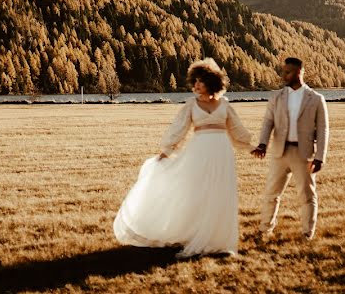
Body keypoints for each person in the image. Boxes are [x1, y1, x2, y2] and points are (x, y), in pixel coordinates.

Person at [113, 58, 255, 258]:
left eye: (201, 81)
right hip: (199, 152)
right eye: (194, 81)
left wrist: (250, 147)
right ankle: (195, 233)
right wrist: (166, 151)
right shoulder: (191, 104)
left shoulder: (225, 104)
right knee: (197, 192)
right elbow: (178, 129)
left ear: (212, 82)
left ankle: (219, 240)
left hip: (222, 152)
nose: (196, 85)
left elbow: (237, 130)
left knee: (220, 193)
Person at [251, 57, 329, 240]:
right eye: (283, 71)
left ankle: (307, 233)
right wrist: (262, 144)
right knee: (271, 193)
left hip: (304, 155)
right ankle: (265, 230)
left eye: (288, 72)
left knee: (307, 195)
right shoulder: (276, 97)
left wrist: (320, 157)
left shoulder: (316, 99)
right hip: (280, 152)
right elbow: (267, 122)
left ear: (299, 72)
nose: (283, 75)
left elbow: (323, 129)